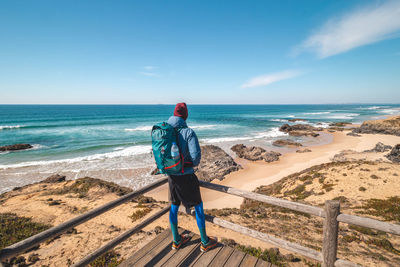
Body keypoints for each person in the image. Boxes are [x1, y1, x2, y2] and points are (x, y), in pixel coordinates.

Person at [167, 102, 217, 252]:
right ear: (185, 116)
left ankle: (176, 240)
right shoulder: (188, 132)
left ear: (175, 114)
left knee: (174, 207)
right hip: (186, 177)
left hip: (171, 177)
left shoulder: (166, 131)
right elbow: (195, 159)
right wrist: (186, 163)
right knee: (199, 207)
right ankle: (204, 241)